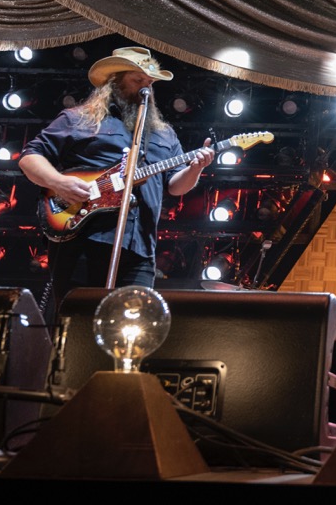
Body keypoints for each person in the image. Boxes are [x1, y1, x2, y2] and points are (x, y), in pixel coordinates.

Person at [19, 47, 213, 315]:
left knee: (130, 324)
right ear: (115, 81)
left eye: (150, 82)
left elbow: (175, 186)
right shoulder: (80, 119)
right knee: (77, 320)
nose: (146, 88)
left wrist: (196, 169)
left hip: (140, 247)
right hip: (83, 237)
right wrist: (59, 183)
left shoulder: (164, 134)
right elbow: (30, 157)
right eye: (138, 80)